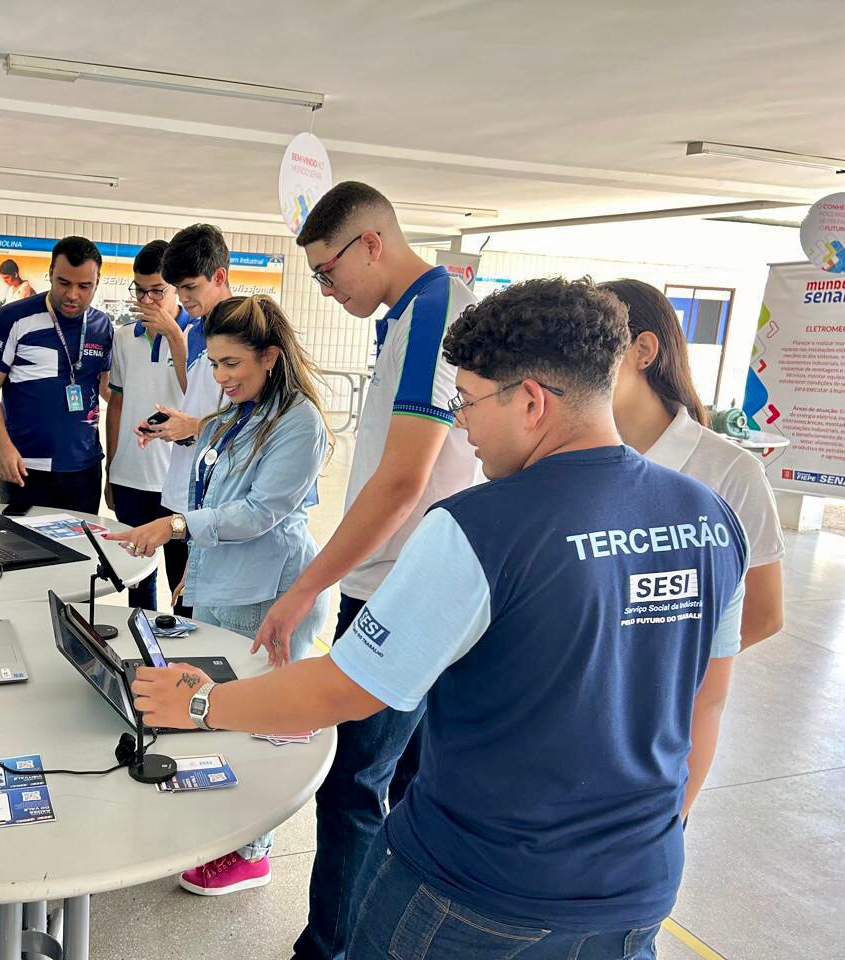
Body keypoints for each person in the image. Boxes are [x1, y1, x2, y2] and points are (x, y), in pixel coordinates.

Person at [132, 277, 748, 960]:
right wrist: (649, 840)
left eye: (468, 401)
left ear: (533, 401)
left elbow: (345, 687)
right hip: (639, 889)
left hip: (477, 892)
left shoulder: (481, 527)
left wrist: (202, 703)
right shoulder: (708, 516)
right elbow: (708, 701)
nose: (460, 423)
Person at [249, 182, 481, 960]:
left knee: (354, 787)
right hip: (404, 581)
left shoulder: (436, 311)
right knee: (406, 786)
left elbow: (403, 480)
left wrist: (306, 586)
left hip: (404, 593)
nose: (325, 287)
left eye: (326, 271)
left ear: (371, 243)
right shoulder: (408, 317)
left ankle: (331, 950)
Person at [109, 294, 333, 896]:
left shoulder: (299, 423)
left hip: (268, 588)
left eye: (232, 364)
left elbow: (260, 511)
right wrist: (195, 569)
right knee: (219, 705)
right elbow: (218, 496)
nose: (221, 377)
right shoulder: (242, 413)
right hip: (225, 579)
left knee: (255, 716)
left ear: (271, 357)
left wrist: (178, 528)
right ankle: (223, 830)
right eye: (214, 364)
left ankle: (251, 853)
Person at [604, 278, 785, 816]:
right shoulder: (564, 458)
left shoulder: (729, 471)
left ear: (644, 350)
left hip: (663, 728)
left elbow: (765, 611)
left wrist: (670, 674)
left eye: (597, 349)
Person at [134, 224, 236, 615]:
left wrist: (194, 428)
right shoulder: (196, 330)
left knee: (208, 619)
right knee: (183, 614)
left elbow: (260, 423)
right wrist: (168, 426)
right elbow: (197, 398)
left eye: (191, 287)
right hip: (182, 493)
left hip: (220, 500)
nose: (183, 298)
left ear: (219, 276)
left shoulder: (245, 329)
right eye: (179, 289)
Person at [0, 236, 113, 514]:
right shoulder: (12, 317)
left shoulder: (102, 326)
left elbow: (108, 388)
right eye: (64, 283)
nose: (73, 294)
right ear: (50, 273)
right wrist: (2, 447)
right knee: (20, 552)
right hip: (24, 467)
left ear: (97, 283)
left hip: (83, 469)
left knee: (81, 553)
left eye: (84, 286)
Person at [104, 240, 192, 609]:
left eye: (158, 291)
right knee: (138, 583)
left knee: (184, 585)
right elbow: (117, 403)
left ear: (176, 288)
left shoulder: (197, 336)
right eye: (140, 291)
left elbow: (195, 398)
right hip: (131, 476)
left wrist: (174, 335)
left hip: (177, 482)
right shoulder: (124, 338)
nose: (147, 301)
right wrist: (112, 468)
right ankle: (146, 657)